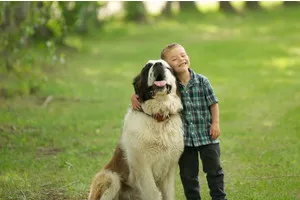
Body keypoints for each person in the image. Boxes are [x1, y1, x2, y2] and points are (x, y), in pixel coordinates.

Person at [131, 43, 227, 200]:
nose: (181, 60)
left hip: (207, 136)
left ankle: (219, 197)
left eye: (183, 55)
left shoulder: (203, 81)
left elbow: (213, 103)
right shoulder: (171, 85)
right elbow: (147, 90)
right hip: (185, 140)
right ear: (168, 67)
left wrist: (215, 124)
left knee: (214, 170)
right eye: (175, 59)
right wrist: (133, 96)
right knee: (188, 176)